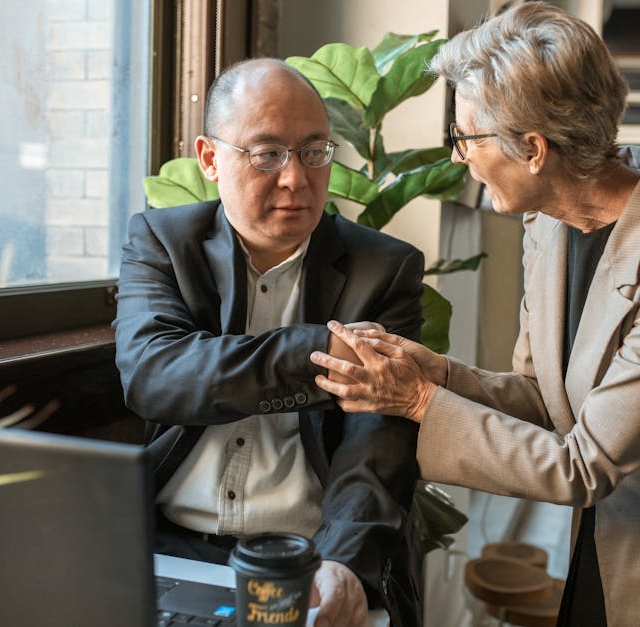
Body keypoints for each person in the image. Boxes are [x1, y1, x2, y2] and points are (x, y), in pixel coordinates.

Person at [310, 3, 640, 626]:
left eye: (465, 137)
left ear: (533, 149)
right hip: (602, 540)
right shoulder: (548, 224)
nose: (458, 157)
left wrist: (418, 402)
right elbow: (547, 402)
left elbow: (587, 464)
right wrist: (438, 374)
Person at [113, 58, 425, 627]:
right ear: (210, 159)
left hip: (311, 552)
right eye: (267, 153)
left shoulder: (383, 269)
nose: (296, 179)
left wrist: (343, 561)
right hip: (169, 545)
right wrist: (320, 350)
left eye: (314, 151)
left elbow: (379, 443)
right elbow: (155, 375)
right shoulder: (163, 242)